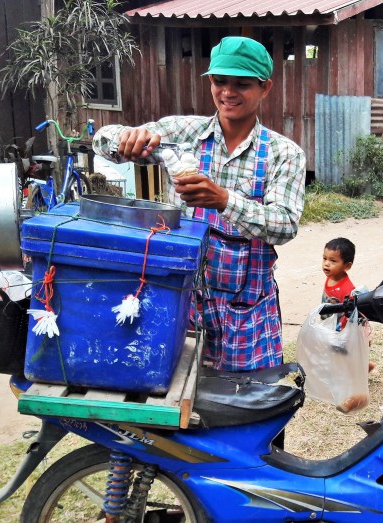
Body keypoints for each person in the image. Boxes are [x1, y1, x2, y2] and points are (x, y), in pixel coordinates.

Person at [92, 36, 306, 372]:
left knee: (250, 408)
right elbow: (101, 140)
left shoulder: (284, 154)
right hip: (181, 301)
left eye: (242, 84)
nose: (228, 92)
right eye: (220, 82)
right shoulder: (182, 132)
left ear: (265, 88)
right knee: (181, 400)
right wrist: (125, 138)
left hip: (248, 313)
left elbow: (284, 225)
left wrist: (223, 200)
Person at [320, 237, 375, 372]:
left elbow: (351, 312)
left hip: (342, 327)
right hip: (331, 321)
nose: (326, 264)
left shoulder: (347, 289)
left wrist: (342, 331)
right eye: (324, 258)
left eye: (333, 261)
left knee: (343, 351)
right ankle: (361, 365)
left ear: (347, 266)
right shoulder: (330, 277)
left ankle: (361, 367)